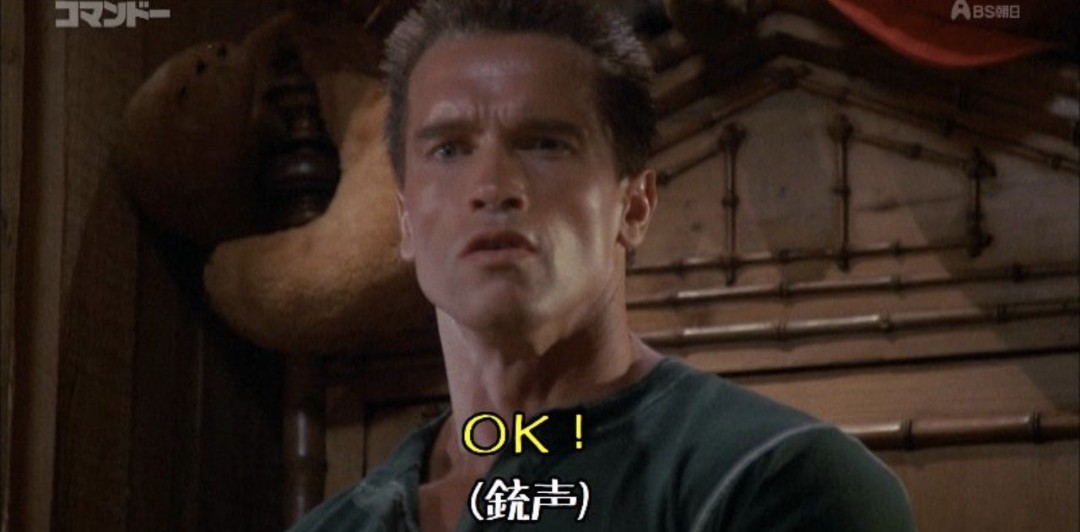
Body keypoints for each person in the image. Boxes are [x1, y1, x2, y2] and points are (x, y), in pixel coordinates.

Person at [289, 0, 916, 530]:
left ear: (634, 205)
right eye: (449, 149)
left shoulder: (773, 479)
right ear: (405, 220)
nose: (492, 187)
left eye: (545, 143)